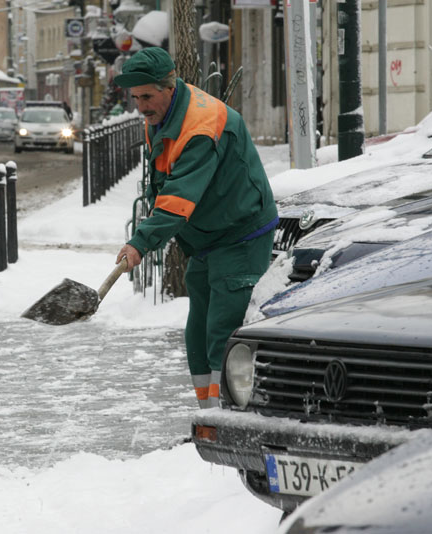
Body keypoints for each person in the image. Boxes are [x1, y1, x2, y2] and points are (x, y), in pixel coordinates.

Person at [114, 47, 278, 409]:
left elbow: (179, 197)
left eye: (147, 96)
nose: (140, 105)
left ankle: (230, 418)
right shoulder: (162, 116)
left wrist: (142, 241)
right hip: (205, 237)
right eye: (135, 97)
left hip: (240, 233)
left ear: (169, 87)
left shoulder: (200, 127)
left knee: (223, 331)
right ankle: (208, 414)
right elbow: (162, 179)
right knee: (198, 332)